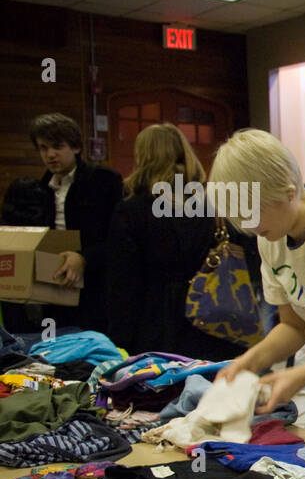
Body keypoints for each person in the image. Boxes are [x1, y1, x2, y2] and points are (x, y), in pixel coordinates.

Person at [209, 129, 305, 442]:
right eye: (240, 218)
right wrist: (247, 363)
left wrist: (302, 374)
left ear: (288, 190)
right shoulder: (271, 238)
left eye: (251, 213)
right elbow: (294, 327)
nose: (249, 226)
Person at [106, 123, 253, 361]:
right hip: (215, 318)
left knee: (161, 395)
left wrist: (119, 339)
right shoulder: (213, 203)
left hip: (155, 324)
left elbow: (123, 283)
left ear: (142, 157)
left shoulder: (132, 210)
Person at [5, 113, 122, 335]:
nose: (50, 155)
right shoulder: (39, 188)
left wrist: (85, 257)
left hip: (96, 287)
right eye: (43, 148)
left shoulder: (104, 181)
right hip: (54, 288)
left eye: (57, 147)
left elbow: (118, 238)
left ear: (76, 147)